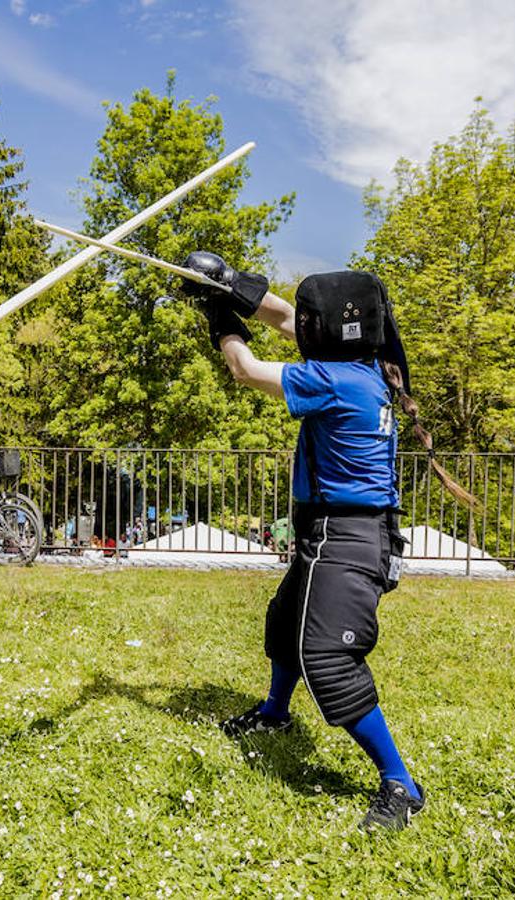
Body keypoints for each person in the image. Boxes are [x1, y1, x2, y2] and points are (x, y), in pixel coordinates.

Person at [180, 251, 474, 832]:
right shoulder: (371, 361)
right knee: (284, 620)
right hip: (337, 530)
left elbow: (245, 369)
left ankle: (401, 784)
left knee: (329, 659)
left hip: (348, 536)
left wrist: (223, 322)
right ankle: (275, 713)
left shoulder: (334, 380)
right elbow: (290, 317)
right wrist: (232, 284)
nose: (305, 329)